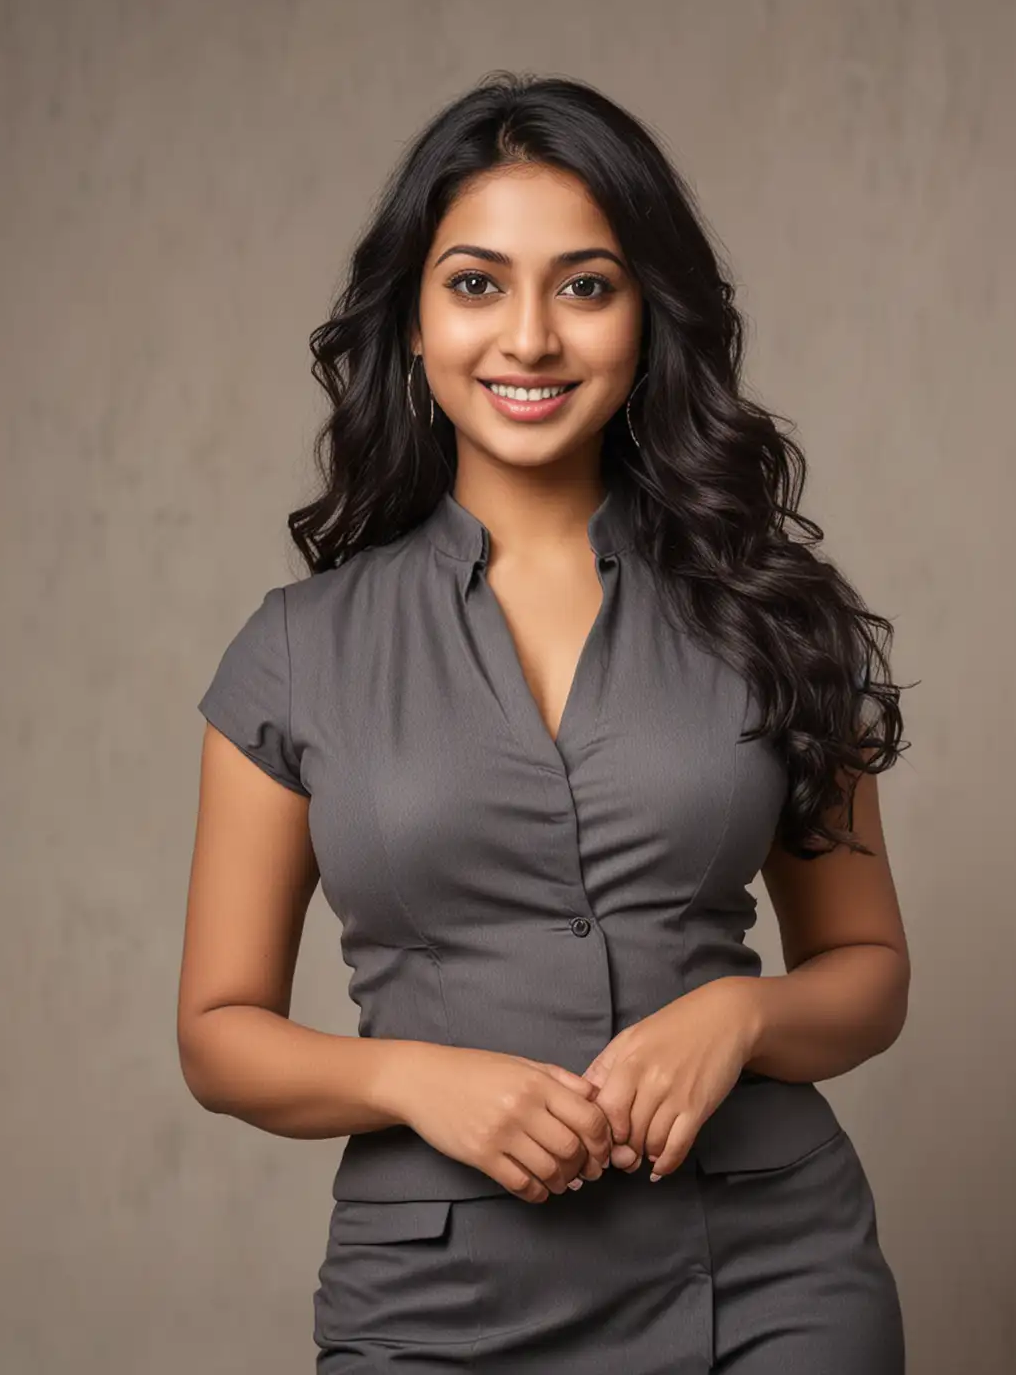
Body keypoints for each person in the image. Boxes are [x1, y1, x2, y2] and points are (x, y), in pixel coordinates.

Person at [179, 71, 912, 1372]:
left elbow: (867, 974)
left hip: (767, 1279)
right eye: (476, 284)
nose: (529, 337)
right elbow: (219, 1033)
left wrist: (738, 1020)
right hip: (438, 1310)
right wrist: (417, 1077)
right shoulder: (297, 656)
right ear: (411, 320)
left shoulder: (775, 616)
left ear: (647, 320)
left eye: (584, 285)